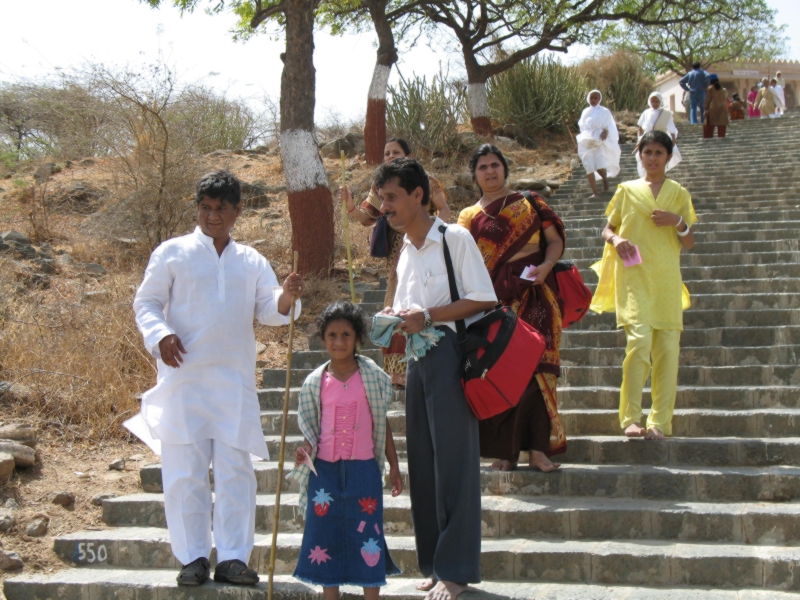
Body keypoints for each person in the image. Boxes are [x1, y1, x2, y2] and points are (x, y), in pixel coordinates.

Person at [126, 170, 303, 586]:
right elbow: (146, 303)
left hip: (233, 384)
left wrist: (287, 297)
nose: (212, 215)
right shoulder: (172, 252)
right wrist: (161, 334)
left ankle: (233, 558)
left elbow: (269, 309)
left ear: (238, 210)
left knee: (235, 473)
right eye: (205, 207)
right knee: (184, 474)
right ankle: (192, 559)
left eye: (221, 208)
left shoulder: (251, 260)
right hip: (183, 382)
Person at [376, 157, 497, 600]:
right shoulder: (405, 251)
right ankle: (433, 562)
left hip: (450, 355)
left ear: (418, 195)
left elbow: (483, 298)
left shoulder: (454, 238)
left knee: (455, 465)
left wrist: (427, 315)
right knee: (424, 464)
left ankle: (456, 570)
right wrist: (394, 318)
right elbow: (411, 312)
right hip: (416, 360)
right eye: (382, 198)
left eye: (391, 197)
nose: (384, 207)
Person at [457, 144, 567, 473]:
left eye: (495, 165)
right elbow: (463, 262)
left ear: (505, 168)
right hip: (492, 304)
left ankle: (538, 449)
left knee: (537, 373)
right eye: (482, 167)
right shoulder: (467, 216)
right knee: (500, 374)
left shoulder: (529, 202)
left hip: (536, 297)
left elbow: (555, 241)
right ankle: (505, 453)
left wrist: (547, 265)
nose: (490, 171)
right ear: (475, 175)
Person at [589, 131, 697, 441]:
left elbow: (689, 242)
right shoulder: (627, 190)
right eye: (647, 151)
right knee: (638, 345)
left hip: (666, 281)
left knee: (667, 351)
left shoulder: (679, 194)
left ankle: (659, 422)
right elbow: (607, 229)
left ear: (668, 156)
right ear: (639, 154)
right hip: (634, 278)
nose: (652, 157)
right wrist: (617, 238)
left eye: (659, 152)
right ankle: (631, 417)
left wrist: (678, 222)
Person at [291, 301, 402, 598]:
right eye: (332, 335)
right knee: (324, 537)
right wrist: (303, 452)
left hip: (363, 472)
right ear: (323, 339)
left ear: (357, 339)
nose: (339, 342)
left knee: (368, 535)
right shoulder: (315, 383)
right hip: (323, 475)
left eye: (346, 335)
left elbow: (382, 423)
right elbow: (311, 432)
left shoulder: (373, 378)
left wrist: (394, 465)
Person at [341, 138, 451, 389]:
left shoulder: (425, 181)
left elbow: (444, 210)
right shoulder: (378, 185)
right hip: (397, 253)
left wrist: (433, 233)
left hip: (426, 245)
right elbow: (367, 217)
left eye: (396, 152)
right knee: (394, 304)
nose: (390, 156)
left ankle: (423, 364)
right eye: (387, 153)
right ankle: (397, 372)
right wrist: (350, 206)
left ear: (409, 155)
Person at [577, 90, 621, 198]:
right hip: (585, 141)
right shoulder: (585, 112)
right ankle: (595, 192)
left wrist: (606, 132)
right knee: (589, 166)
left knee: (599, 165)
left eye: (595, 98)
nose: (593, 100)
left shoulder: (604, 111)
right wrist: (578, 143)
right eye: (591, 97)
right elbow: (583, 129)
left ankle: (605, 180)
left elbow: (609, 125)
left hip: (599, 140)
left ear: (599, 99)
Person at [636, 92, 682, 177]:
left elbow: (671, 127)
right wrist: (639, 139)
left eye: (657, 101)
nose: (655, 104)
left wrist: (673, 139)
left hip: (661, 138)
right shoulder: (646, 113)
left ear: (660, 101)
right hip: (647, 138)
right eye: (653, 101)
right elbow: (640, 128)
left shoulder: (666, 114)